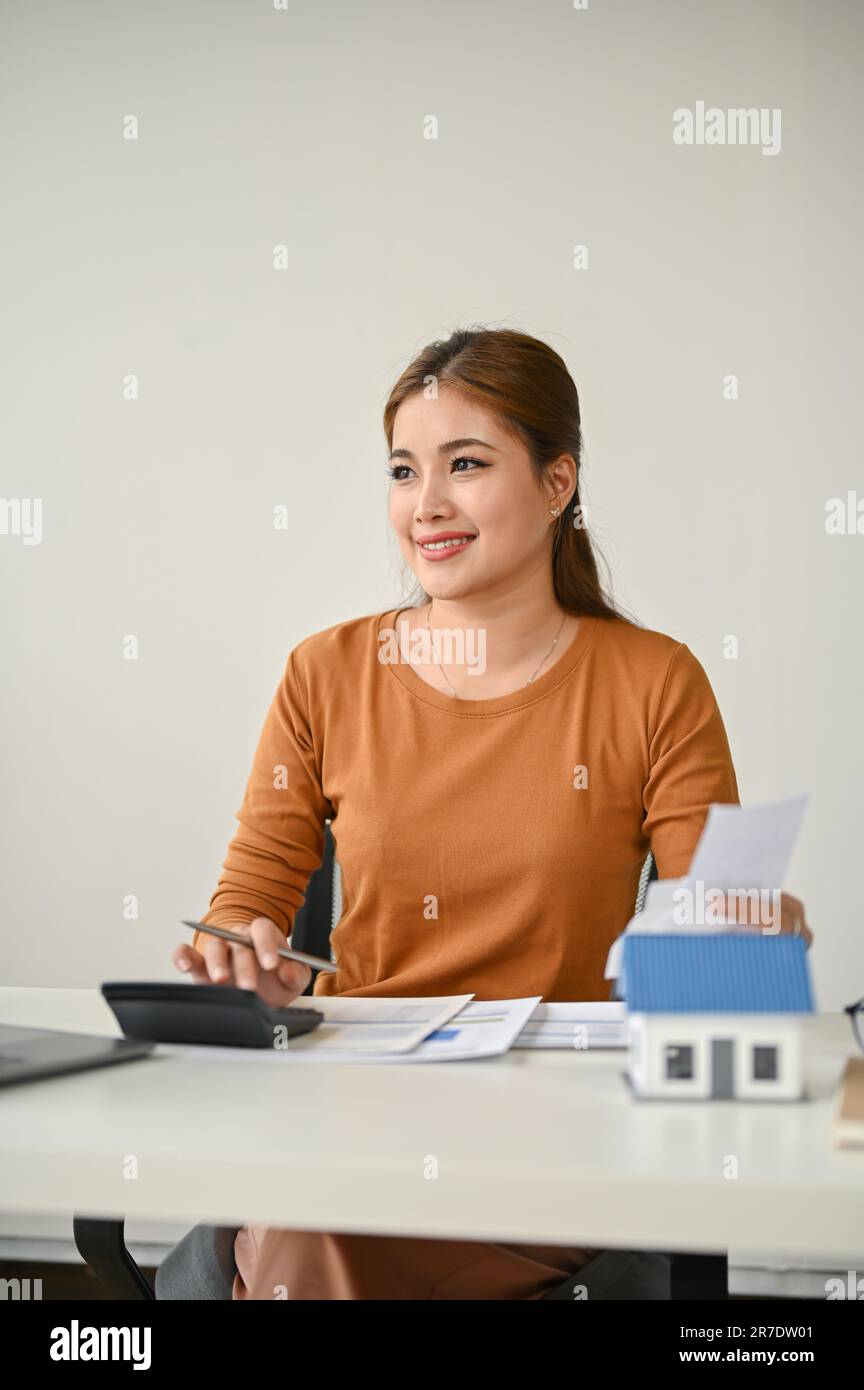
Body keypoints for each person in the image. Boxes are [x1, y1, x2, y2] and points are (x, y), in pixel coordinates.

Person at [172, 326, 813, 1299]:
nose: (425, 505)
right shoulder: (324, 673)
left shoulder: (653, 681)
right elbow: (245, 903)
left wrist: (744, 939)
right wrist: (239, 960)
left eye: (465, 465)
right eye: (403, 470)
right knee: (314, 1228)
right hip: (348, 1118)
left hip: (563, 1137)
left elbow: (703, 929)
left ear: (559, 483)